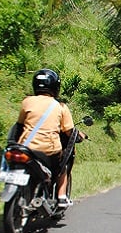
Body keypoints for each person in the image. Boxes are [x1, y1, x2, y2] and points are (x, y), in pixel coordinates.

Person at [15, 68, 86, 208]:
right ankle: (61, 197)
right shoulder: (60, 107)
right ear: (55, 87)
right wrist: (81, 136)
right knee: (62, 168)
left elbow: (20, 125)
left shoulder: (27, 102)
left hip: (25, 148)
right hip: (48, 150)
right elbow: (69, 132)